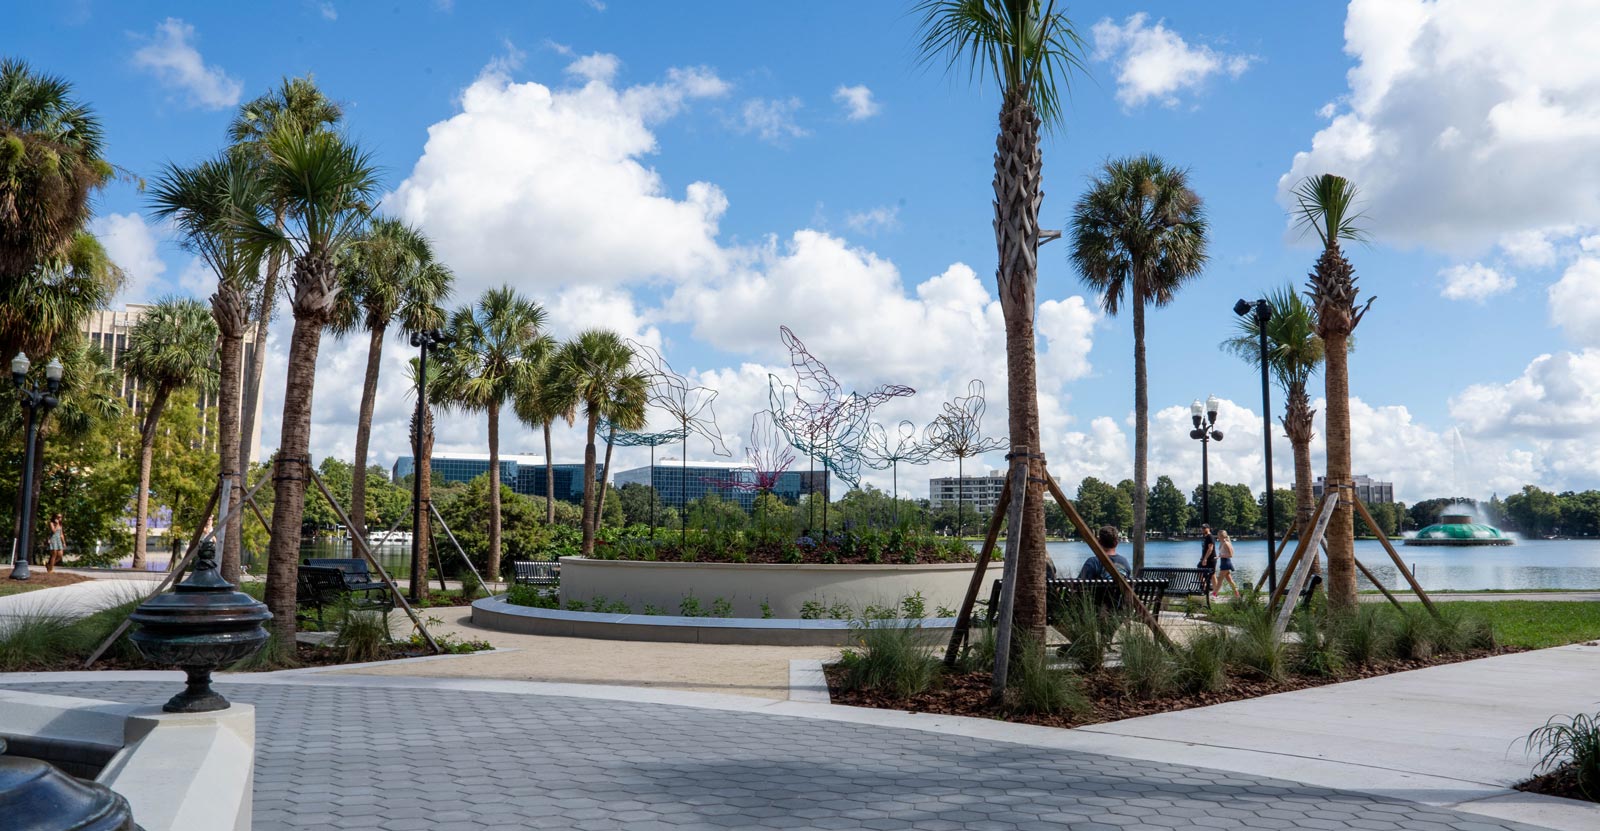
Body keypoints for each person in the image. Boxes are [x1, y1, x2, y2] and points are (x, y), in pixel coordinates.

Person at [1214, 529, 1242, 600]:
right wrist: (1219, 556)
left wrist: (1220, 556)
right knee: (1230, 581)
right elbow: (1223, 553)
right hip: (1223, 562)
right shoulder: (1221, 543)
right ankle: (1237, 595)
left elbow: (1231, 555)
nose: (1217, 536)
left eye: (1218, 535)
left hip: (1226, 563)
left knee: (1219, 580)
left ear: (1221, 536)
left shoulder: (1226, 543)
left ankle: (1214, 594)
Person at [1197, 524, 1217, 592]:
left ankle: (1216, 591)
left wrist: (1205, 558)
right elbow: (1204, 549)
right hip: (1204, 558)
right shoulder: (1204, 537)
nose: (1203, 529)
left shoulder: (1210, 537)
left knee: (1213, 575)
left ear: (1208, 528)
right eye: (1202, 528)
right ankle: (1204, 587)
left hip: (1211, 559)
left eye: (1204, 528)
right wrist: (1202, 557)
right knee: (1199, 570)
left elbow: (1210, 549)